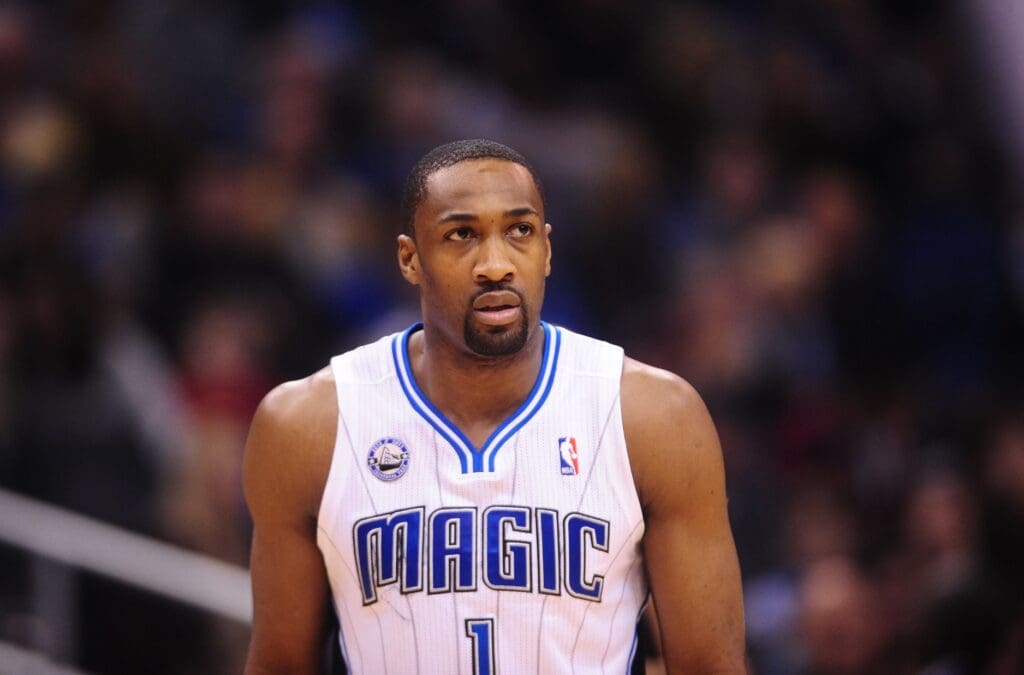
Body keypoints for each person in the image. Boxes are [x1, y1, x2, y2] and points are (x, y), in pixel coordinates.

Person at [242, 139, 745, 674]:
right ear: (410, 259)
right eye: (462, 235)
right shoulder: (305, 426)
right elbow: (279, 664)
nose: (496, 264)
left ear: (547, 251)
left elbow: (710, 665)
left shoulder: (655, 418)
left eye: (519, 231)